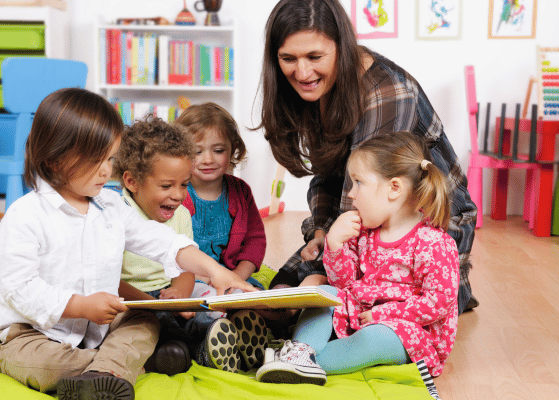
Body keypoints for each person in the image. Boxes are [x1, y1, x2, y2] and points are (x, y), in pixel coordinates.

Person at [0, 88, 255, 400]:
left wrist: (215, 270)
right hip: (28, 334)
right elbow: (18, 288)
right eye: (95, 159)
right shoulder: (26, 215)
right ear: (54, 158)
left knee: (144, 320)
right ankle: (120, 368)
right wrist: (79, 306)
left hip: (96, 331)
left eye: (109, 158)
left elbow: (159, 241)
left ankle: (108, 371)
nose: (105, 170)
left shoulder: (110, 206)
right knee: (48, 367)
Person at [257, 0, 477, 316]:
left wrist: (320, 270)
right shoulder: (319, 86)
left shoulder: (387, 92)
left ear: (343, 46)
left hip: (428, 223)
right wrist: (321, 231)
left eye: (315, 57)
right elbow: (327, 174)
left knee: (321, 295)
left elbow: (366, 201)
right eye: (288, 59)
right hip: (365, 216)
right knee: (284, 287)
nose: (302, 72)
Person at [256, 131, 459, 385]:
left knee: (376, 339)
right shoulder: (363, 232)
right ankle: (299, 350)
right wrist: (335, 244)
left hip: (409, 333)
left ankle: (304, 363)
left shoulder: (434, 243)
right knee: (325, 293)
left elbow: (437, 303)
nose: (350, 194)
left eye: (358, 183)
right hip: (360, 315)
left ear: (394, 188)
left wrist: (383, 314)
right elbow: (343, 283)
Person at [113, 116, 267, 375]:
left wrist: (179, 296)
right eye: (166, 186)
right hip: (131, 300)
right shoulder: (115, 214)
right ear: (131, 182)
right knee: (146, 325)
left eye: (184, 184)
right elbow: (111, 279)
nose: (178, 195)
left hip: (169, 294)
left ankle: (223, 337)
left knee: (204, 309)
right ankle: (196, 348)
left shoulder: (181, 213)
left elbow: (184, 268)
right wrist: (152, 307)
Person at [176, 102, 271, 373]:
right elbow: (171, 250)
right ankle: (210, 342)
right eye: (197, 152)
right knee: (203, 307)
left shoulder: (240, 191)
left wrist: (238, 279)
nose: (208, 159)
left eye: (218, 150)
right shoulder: (177, 194)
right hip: (192, 280)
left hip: (232, 277)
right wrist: (211, 279)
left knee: (263, 300)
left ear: (233, 151)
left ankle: (247, 336)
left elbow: (255, 240)